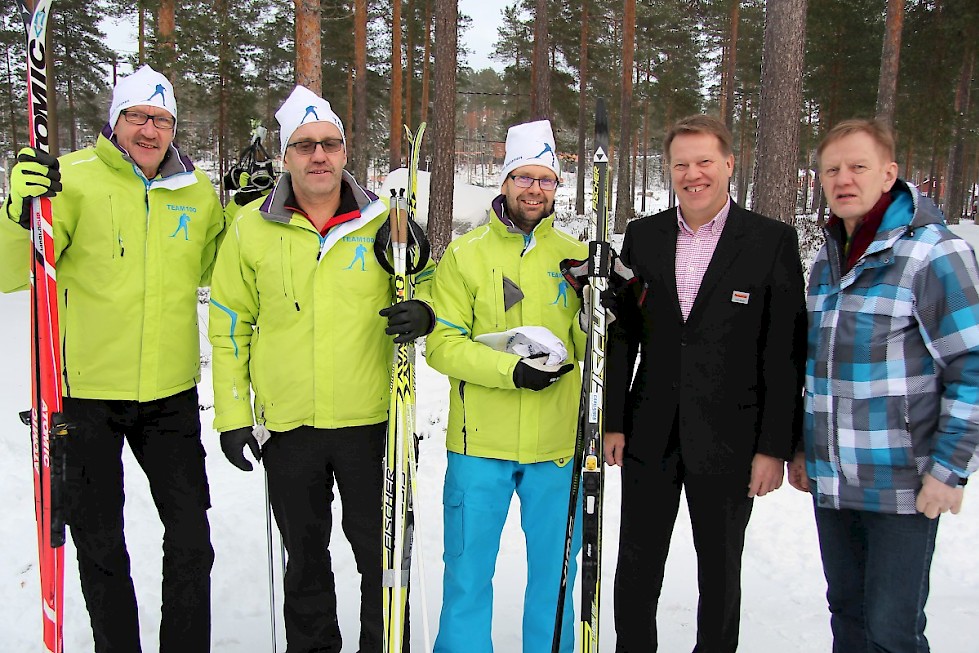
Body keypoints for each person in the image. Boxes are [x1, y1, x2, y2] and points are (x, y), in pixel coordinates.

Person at [0, 65, 224, 653]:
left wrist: (249, 212)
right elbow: (6, 274)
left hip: (170, 395)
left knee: (192, 540)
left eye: (162, 120)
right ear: (116, 120)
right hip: (83, 395)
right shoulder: (65, 179)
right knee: (99, 541)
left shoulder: (195, 191)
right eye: (137, 117)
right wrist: (16, 209)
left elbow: (218, 270)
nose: (149, 130)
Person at [208, 84, 435, 653]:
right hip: (289, 426)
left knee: (378, 557)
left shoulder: (386, 222)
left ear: (344, 152)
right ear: (286, 155)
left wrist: (425, 310)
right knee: (305, 558)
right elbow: (230, 324)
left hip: (370, 423)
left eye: (330, 144)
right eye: (305, 145)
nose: (319, 156)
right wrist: (234, 415)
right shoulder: (251, 228)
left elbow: (429, 285)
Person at [603, 114, 807, 653]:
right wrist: (614, 421)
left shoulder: (770, 241)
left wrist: (773, 448)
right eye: (681, 165)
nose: (693, 174)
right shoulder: (643, 236)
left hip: (731, 438)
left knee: (719, 569)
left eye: (704, 162)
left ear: (729, 164)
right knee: (638, 563)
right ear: (669, 170)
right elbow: (623, 334)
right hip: (650, 431)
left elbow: (785, 354)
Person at [787, 118, 979, 653]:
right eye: (832, 170)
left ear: (889, 173)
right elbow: (820, 365)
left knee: (892, 631)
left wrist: (949, 469)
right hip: (835, 484)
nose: (843, 179)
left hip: (905, 486)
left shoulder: (934, 254)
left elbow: (973, 365)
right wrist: (804, 447)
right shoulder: (829, 259)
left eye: (858, 167)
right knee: (847, 617)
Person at [425, 119, 587, 653]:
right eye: (524, 177)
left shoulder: (576, 257)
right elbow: (443, 345)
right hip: (479, 446)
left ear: (557, 186)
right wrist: (510, 371)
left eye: (546, 179)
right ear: (504, 181)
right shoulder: (466, 254)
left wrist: (600, 308)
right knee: (468, 578)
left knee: (555, 583)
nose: (534, 189)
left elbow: (590, 348)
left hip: (557, 447)